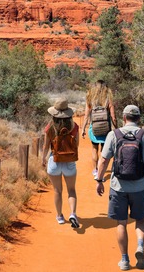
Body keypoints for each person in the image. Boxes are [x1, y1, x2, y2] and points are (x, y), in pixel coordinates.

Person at [96, 105, 144, 271]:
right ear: (138, 118)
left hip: (118, 187)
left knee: (121, 223)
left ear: (124, 117)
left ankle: (124, 260)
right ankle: (140, 246)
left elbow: (103, 160)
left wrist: (100, 180)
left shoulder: (114, 135)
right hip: (140, 187)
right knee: (140, 220)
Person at [42, 98, 81, 228]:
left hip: (54, 160)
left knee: (57, 191)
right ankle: (73, 214)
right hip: (69, 161)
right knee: (71, 190)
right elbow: (77, 145)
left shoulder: (50, 127)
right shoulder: (74, 126)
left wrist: (43, 159)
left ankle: (59, 216)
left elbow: (46, 146)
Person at [81, 80, 116, 179]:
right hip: (106, 129)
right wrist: (116, 128)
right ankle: (101, 172)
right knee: (103, 152)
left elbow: (86, 115)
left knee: (94, 150)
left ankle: (95, 171)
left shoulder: (91, 99)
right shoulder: (108, 99)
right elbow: (113, 116)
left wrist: (83, 128)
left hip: (94, 128)